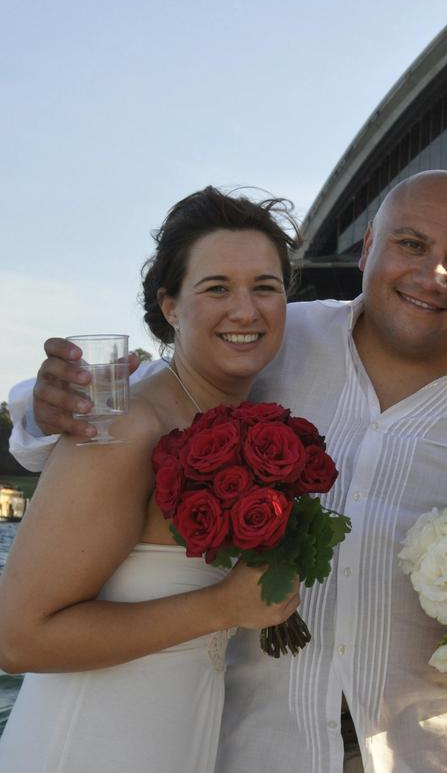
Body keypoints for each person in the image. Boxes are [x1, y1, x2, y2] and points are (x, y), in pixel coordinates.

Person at [8, 170, 447, 773]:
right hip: (250, 749)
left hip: (426, 755)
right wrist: (39, 404)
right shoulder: (274, 340)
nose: (431, 276)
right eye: (411, 244)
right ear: (368, 246)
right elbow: (149, 393)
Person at [0, 187, 303, 772]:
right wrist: (224, 605)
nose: (246, 311)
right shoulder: (125, 423)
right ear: (169, 305)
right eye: (217, 288)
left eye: (265, 287)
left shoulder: (236, 415)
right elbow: (17, 638)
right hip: (86, 746)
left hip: (175, 740)